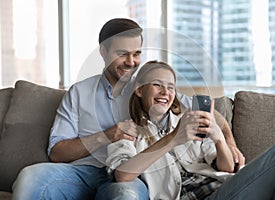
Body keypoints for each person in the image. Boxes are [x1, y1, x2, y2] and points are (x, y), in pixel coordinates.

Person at [11, 18, 243, 199]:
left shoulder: (150, 86)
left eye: (137, 53)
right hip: (83, 173)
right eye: (122, 54)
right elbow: (57, 152)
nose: (131, 62)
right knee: (30, 178)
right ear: (103, 51)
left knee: (125, 193)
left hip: (134, 175)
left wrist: (229, 143)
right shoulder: (79, 92)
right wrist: (107, 136)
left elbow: (209, 115)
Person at [106, 60, 275, 200]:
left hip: (224, 187)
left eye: (171, 87)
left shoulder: (190, 121)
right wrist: (174, 138)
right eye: (157, 85)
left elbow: (225, 167)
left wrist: (219, 138)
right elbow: (122, 175)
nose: (166, 92)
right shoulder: (128, 131)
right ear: (139, 90)